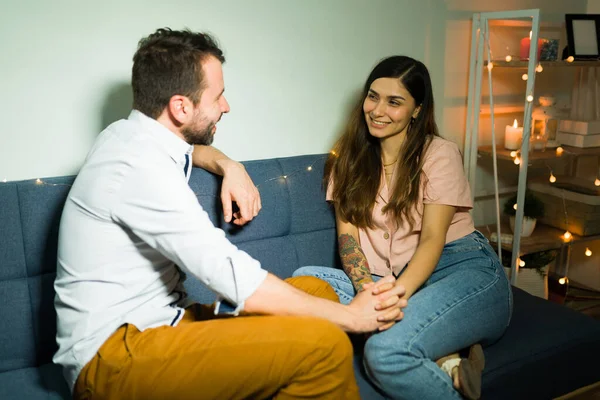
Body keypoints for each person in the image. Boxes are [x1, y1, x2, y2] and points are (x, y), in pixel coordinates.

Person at [53, 28, 409, 400]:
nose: (226, 106)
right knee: (326, 343)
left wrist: (229, 166)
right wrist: (355, 317)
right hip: (112, 361)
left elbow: (191, 151)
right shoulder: (138, 168)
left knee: (317, 292)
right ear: (180, 107)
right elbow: (231, 276)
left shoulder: (131, 135)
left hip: (163, 325)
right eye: (218, 95)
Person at [294, 55, 513, 400]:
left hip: (458, 268)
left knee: (384, 351)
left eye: (394, 101)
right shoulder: (348, 160)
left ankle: (439, 345)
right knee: (305, 279)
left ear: (416, 110)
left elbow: (431, 241)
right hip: (386, 279)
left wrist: (389, 300)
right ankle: (447, 355)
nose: (377, 110)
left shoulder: (439, 154)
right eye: (373, 96)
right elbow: (348, 237)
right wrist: (366, 290)